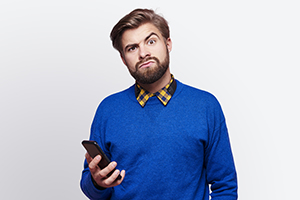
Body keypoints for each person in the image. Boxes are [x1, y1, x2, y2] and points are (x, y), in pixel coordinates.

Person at [80, 8, 238, 200]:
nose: (143, 53)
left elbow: (225, 187)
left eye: (151, 41)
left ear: (168, 43)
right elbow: (90, 186)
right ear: (123, 59)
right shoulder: (108, 109)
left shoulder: (206, 106)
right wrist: (97, 182)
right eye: (132, 48)